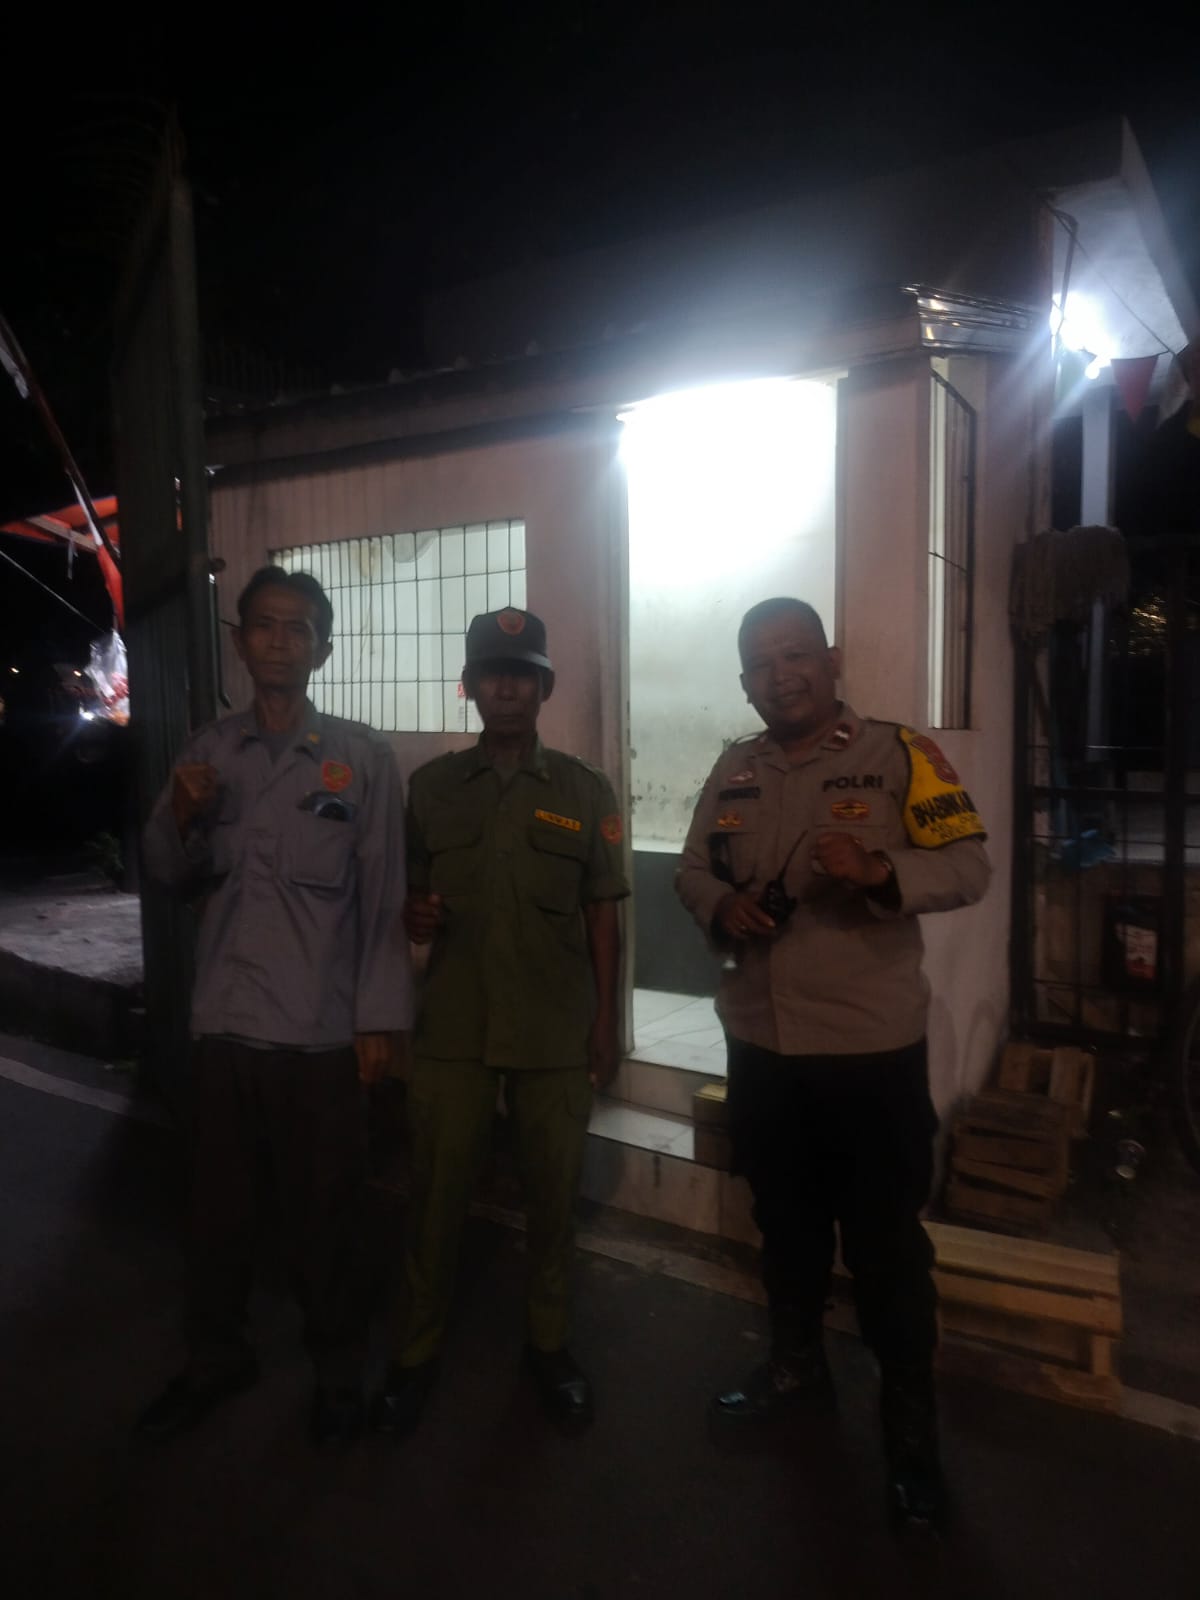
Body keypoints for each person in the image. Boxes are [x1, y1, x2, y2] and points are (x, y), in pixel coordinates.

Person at [676, 596, 990, 1529]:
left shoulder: (899, 754)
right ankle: (796, 1368)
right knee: (786, 1225)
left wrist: (882, 871)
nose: (782, 676)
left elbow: (968, 865)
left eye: (797, 655)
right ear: (745, 682)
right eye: (762, 663)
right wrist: (720, 907)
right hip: (763, 1045)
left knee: (886, 1247)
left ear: (832, 658)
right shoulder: (735, 767)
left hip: (868, 1051)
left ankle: (910, 1436)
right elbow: (692, 868)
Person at [138, 565, 412, 1447]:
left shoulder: (362, 759)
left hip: (318, 1036)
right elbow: (166, 874)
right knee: (215, 1217)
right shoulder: (208, 753)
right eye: (264, 625)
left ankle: (338, 1374)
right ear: (241, 642)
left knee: (326, 1221)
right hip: (224, 1025)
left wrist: (378, 1020)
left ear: (323, 650)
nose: (281, 641)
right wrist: (181, 819)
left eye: (299, 628)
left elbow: (385, 897)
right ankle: (215, 1359)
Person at [371, 606, 628, 1437]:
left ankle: (548, 1345)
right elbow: (410, 898)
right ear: (471, 687)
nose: (508, 688)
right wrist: (416, 916)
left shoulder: (586, 790)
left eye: (523, 674)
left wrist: (605, 1026)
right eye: (493, 674)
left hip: (555, 1029)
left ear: (545, 688)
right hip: (456, 1026)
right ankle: (416, 1352)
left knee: (553, 1198)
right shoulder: (432, 789)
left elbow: (603, 914)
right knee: (435, 1196)